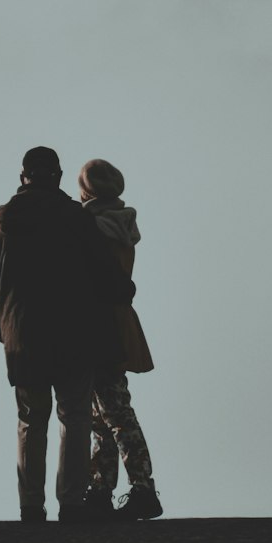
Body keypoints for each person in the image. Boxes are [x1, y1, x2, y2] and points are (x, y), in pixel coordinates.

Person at [0, 146, 135, 523]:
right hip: (75, 335)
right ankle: (72, 503)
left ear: (22, 178)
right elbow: (105, 271)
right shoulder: (76, 220)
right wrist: (124, 293)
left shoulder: (1, 224)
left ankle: (31, 505)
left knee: (31, 418)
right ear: (59, 177)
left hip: (23, 337)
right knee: (75, 416)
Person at [78, 158, 163, 521]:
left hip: (97, 325)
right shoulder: (123, 223)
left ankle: (134, 488)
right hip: (118, 321)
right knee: (108, 408)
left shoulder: (90, 226)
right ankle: (108, 487)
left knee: (110, 412)